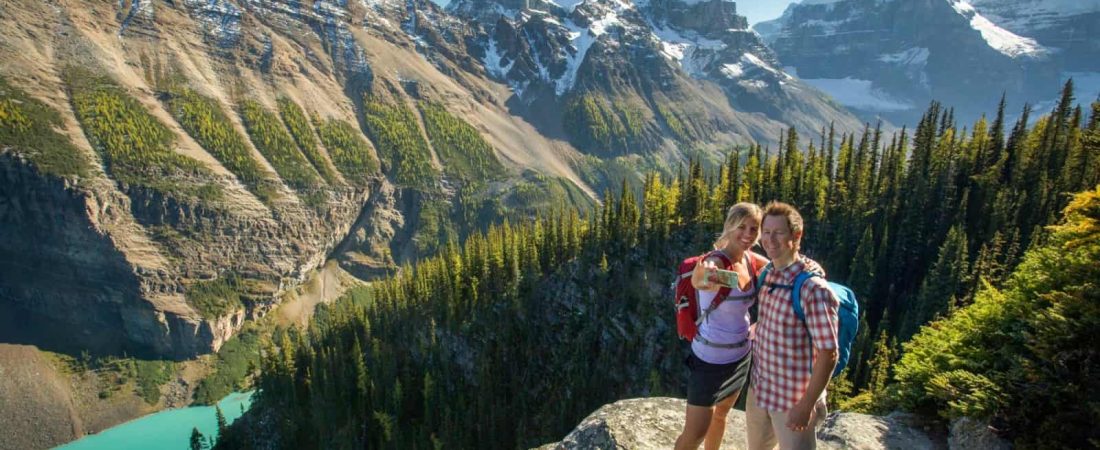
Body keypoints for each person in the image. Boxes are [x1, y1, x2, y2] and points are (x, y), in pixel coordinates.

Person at [676, 202, 769, 450]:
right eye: (741, 227)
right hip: (709, 360)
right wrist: (702, 275)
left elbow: (780, 265)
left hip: (740, 357)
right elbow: (700, 281)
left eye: (753, 228)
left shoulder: (750, 260)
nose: (747, 234)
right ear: (729, 226)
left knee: (721, 415)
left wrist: (807, 266)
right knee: (694, 434)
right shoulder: (715, 263)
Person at [747, 201, 839, 450]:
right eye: (766, 233)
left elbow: (829, 353)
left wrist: (807, 404)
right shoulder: (768, 274)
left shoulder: (813, 290)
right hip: (760, 391)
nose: (770, 240)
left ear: (796, 235)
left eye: (778, 233)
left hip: (792, 401)